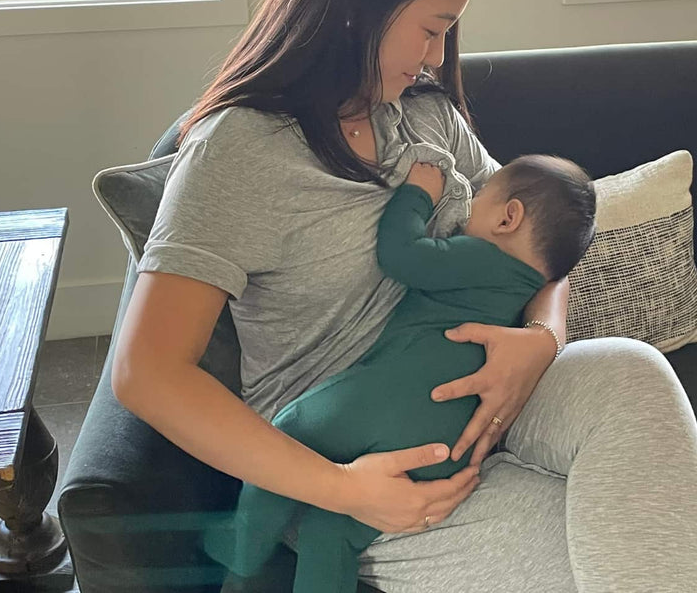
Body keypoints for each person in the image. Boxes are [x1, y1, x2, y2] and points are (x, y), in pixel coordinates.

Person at [111, 0, 697, 593]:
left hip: (487, 396)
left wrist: (540, 342)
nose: (436, 57)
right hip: (365, 449)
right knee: (604, 558)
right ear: (358, 2)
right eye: (431, 28)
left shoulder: (426, 117)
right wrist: (344, 490)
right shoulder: (240, 149)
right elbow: (147, 372)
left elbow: (539, 246)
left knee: (633, 370)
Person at [201, 155, 597, 592]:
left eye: (478, 201)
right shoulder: (523, 286)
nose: (467, 212)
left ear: (508, 218)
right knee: (332, 530)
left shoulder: (480, 257)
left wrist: (416, 196)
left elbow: (402, 256)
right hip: (451, 443)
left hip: (398, 404)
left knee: (285, 431)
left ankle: (242, 546)